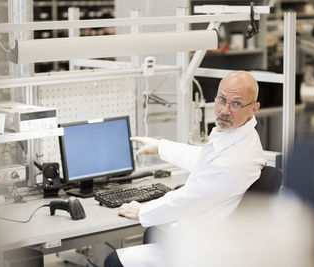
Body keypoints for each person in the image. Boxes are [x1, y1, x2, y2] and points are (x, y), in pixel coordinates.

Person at [104, 70, 267, 267]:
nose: (225, 110)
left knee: (115, 261)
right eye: (222, 100)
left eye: (236, 104)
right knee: (155, 231)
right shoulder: (239, 137)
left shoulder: (238, 158)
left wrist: (144, 210)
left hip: (205, 252)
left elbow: (189, 199)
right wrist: (160, 147)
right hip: (208, 232)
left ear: (254, 108)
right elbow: (205, 160)